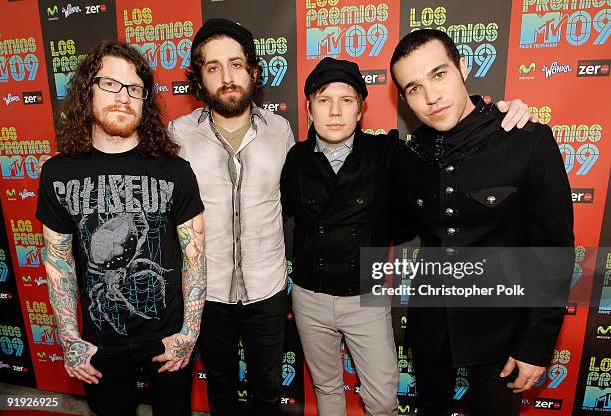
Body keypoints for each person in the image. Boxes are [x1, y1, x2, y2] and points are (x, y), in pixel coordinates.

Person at [280, 57, 539, 416]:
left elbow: (448, 146)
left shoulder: (386, 153)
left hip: (365, 294)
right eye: (324, 100)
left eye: (347, 100)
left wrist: (500, 115)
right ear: (309, 108)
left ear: (360, 109)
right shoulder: (294, 158)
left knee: (382, 399)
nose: (335, 111)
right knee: (326, 386)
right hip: (309, 296)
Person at [390, 29, 574, 415]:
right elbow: (397, 224)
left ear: (464, 67)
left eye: (439, 75)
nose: (430, 97)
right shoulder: (410, 157)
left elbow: (554, 252)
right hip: (431, 327)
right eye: (413, 88)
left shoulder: (526, 140)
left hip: (503, 331)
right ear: (405, 99)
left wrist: (536, 343)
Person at [36, 40, 206, 416]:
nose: (123, 97)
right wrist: (70, 339)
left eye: (134, 89)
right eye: (109, 84)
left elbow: (195, 257)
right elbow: (59, 264)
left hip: (168, 337)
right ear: (88, 91)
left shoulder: (175, 171)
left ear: (145, 101)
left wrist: (188, 334)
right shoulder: (59, 173)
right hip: (101, 344)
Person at [169, 18, 294, 416]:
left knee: (268, 391)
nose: (226, 77)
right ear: (200, 79)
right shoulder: (178, 134)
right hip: (208, 293)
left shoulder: (280, 129)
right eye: (213, 67)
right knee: (220, 389)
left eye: (236, 64)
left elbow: (290, 200)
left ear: (253, 71)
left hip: (268, 289)